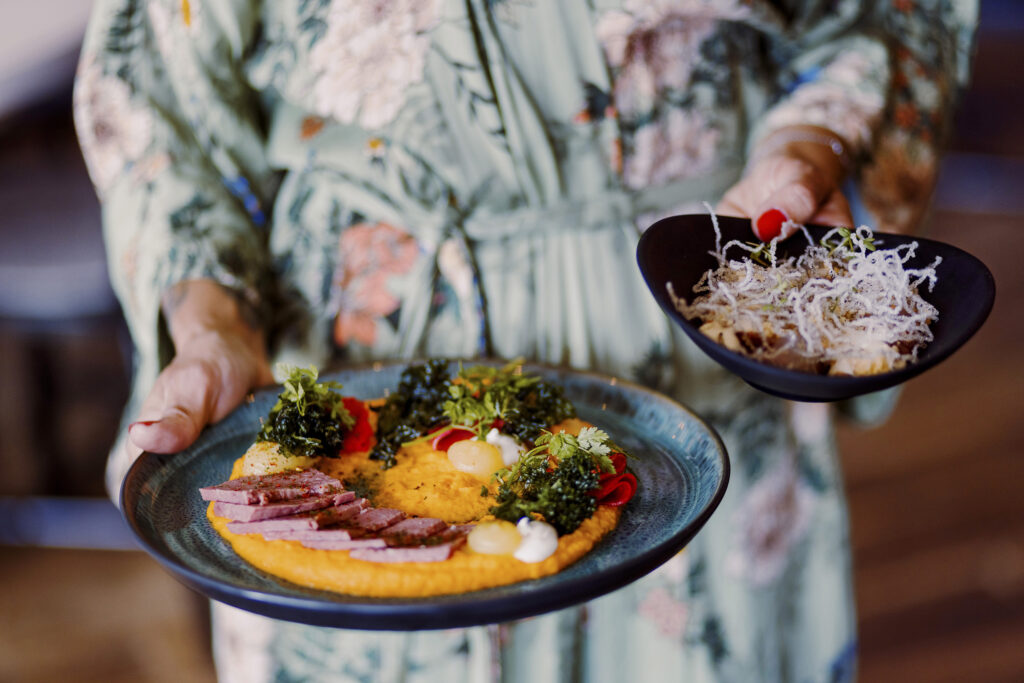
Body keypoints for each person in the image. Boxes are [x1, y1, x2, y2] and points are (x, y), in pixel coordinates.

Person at [75, 1, 976, 681]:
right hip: (358, 395)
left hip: (693, 345)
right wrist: (211, 325)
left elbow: (883, 18)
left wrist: (808, 147)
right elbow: (156, 102)